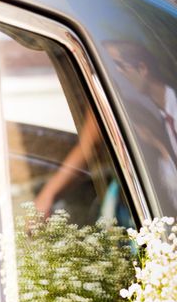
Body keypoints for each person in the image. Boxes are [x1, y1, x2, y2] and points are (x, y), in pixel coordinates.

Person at [35, 39, 177, 218]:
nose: (114, 75)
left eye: (117, 67)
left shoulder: (159, 115)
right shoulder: (157, 117)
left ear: (142, 69)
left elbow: (91, 142)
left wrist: (48, 194)